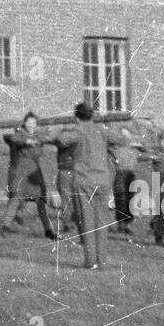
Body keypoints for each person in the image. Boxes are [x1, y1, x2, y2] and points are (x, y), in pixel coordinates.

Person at [56, 102, 114, 269]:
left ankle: (91, 262)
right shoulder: (102, 130)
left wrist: (61, 129)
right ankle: (101, 260)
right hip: (102, 181)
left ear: (77, 117)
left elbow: (62, 140)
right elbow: (122, 139)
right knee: (101, 222)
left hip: (84, 182)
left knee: (87, 222)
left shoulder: (79, 131)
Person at [2, 113, 55, 238]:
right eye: (29, 122)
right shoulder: (19, 134)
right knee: (16, 197)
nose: (31, 125)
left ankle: (48, 230)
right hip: (21, 169)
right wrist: (26, 141)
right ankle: (5, 226)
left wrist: (40, 140)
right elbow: (10, 138)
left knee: (41, 200)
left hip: (35, 169)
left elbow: (49, 138)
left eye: (34, 123)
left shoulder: (38, 135)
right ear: (24, 123)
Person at [108, 124, 139, 239]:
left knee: (130, 199)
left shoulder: (133, 148)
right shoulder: (115, 147)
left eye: (127, 134)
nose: (125, 137)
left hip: (131, 174)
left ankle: (127, 224)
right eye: (123, 134)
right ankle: (120, 224)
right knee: (121, 198)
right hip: (120, 173)